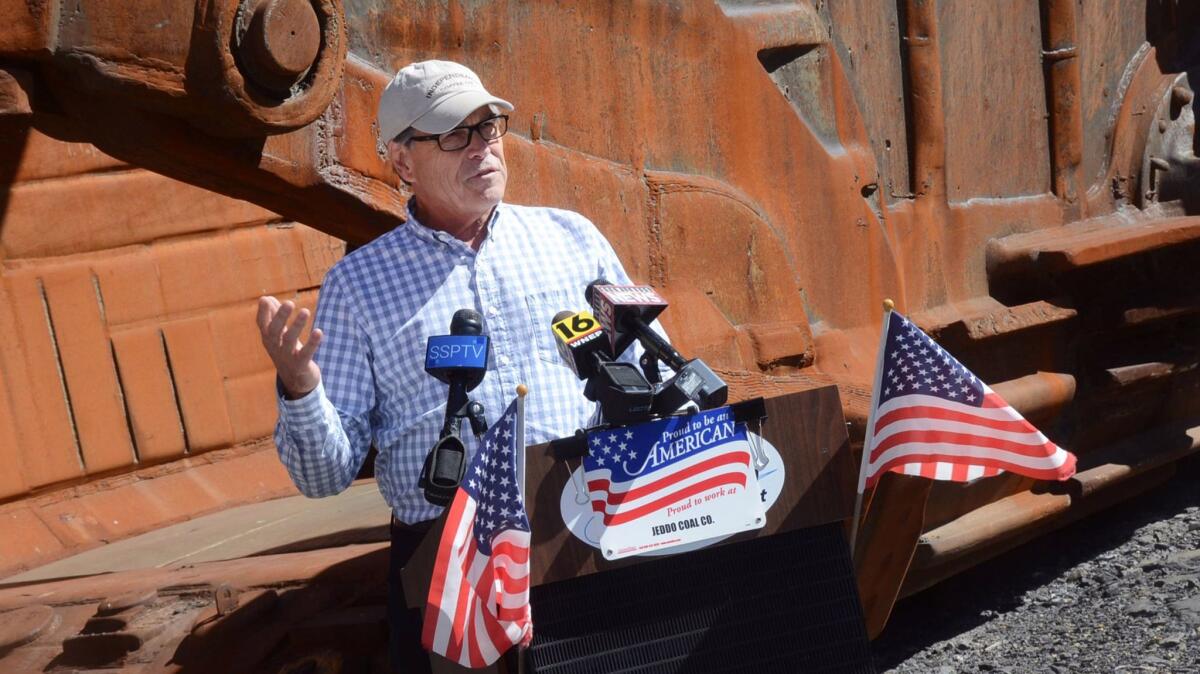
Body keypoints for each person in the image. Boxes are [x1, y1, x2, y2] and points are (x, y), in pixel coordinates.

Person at [255, 59, 660, 671]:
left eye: (489, 127)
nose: (482, 149)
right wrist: (300, 385)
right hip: (448, 569)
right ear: (402, 161)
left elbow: (650, 372)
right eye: (454, 134)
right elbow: (324, 476)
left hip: (588, 541)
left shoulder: (570, 240)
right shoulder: (358, 286)